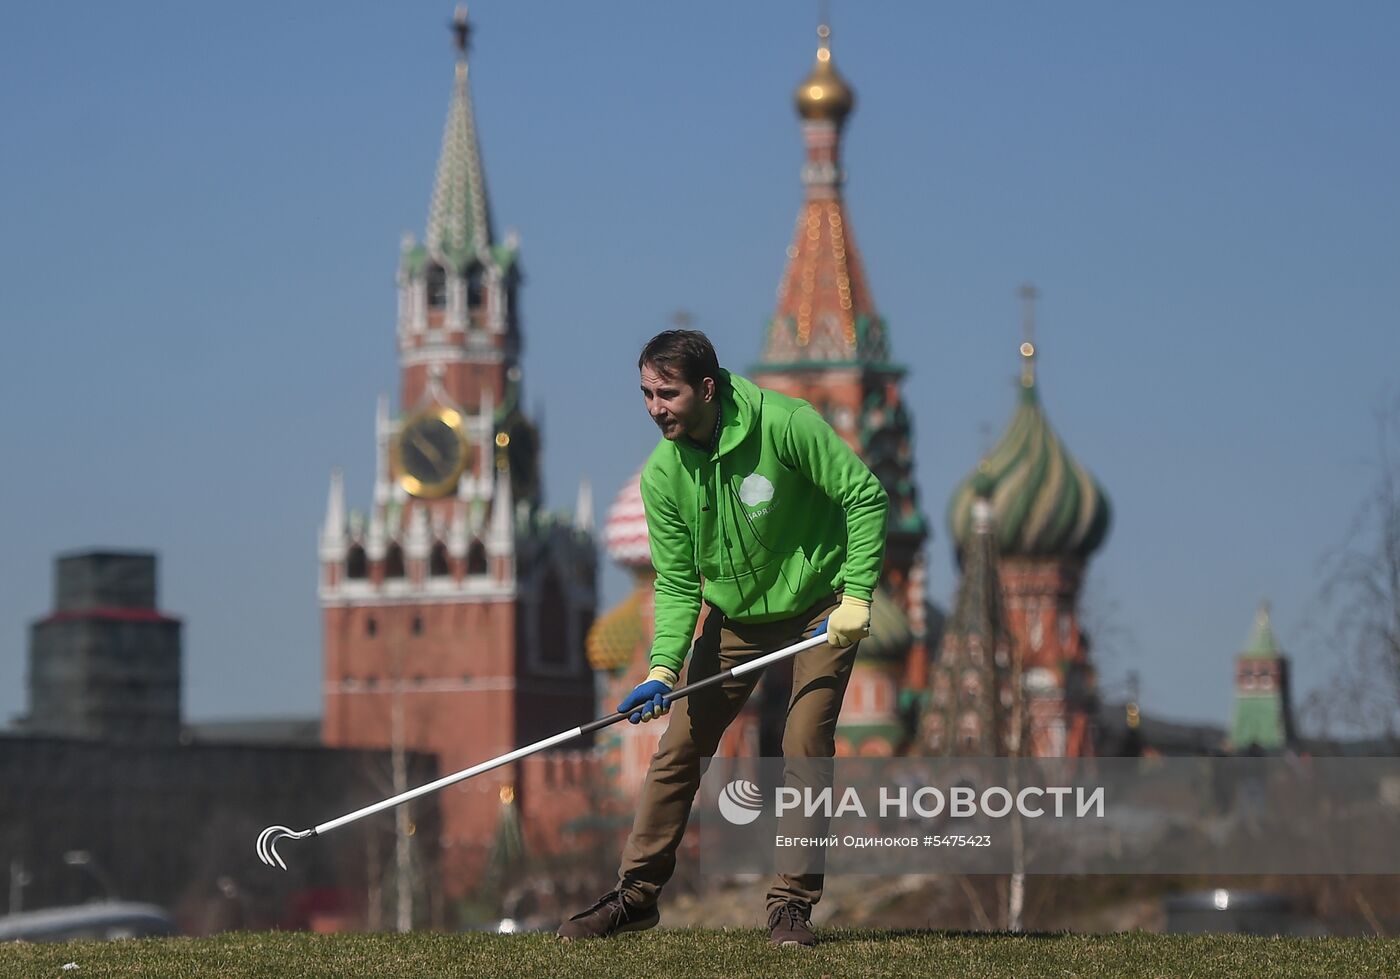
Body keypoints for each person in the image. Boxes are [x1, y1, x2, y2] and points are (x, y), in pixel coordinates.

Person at [558, 330, 888, 948]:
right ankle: (635, 896)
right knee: (679, 747)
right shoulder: (663, 475)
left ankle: (791, 905)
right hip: (736, 619)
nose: (655, 408)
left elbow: (865, 497)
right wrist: (661, 671)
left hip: (820, 606)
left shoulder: (786, 424)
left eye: (668, 393)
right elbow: (680, 584)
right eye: (646, 394)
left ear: (707, 388)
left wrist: (857, 597)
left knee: (803, 738)